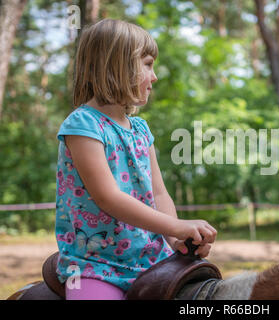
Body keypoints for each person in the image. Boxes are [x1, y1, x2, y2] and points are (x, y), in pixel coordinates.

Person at [55, 19, 217, 300]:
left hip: (153, 259)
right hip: (96, 266)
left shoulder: (141, 130)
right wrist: (177, 225)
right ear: (117, 65)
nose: (154, 77)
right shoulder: (83, 125)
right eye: (148, 64)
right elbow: (108, 198)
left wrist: (175, 238)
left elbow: (158, 192)